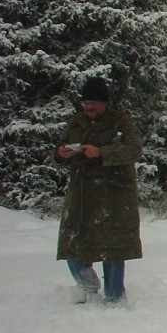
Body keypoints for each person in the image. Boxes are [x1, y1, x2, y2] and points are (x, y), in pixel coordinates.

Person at [53, 77, 143, 304]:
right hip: (81, 192)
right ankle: (86, 285)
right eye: (86, 102)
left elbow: (134, 150)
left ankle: (115, 296)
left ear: (105, 102)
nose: (89, 107)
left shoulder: (120, 121)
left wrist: (102, 152)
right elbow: (60, 149)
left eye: (94, 102)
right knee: (71, 240)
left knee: (112, 245)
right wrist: (61, 154)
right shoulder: (76, 121)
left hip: (113, 193)